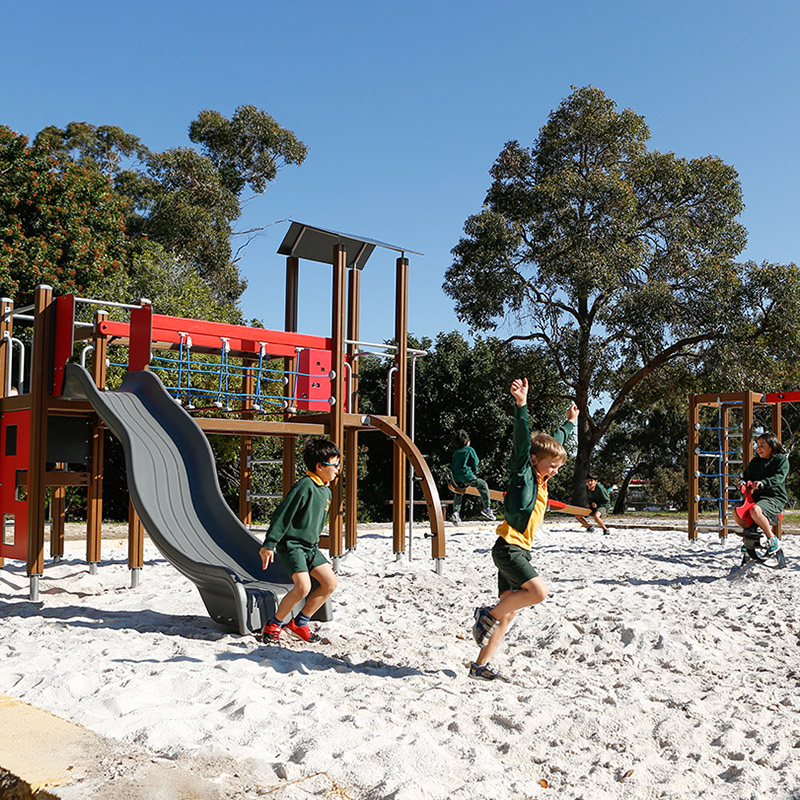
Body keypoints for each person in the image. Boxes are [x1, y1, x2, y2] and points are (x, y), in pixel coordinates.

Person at [469, 378, 579, 682]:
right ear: (534, 460)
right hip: (508, 547)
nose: (555, 471)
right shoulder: (523, 472)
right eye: (552, 466)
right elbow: (523, 442)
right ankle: (485, 615)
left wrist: (569, 424)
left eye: (557, 467)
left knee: (510, 611)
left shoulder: (542, 479)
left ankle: (480, 667)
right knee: (538, 592)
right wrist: (521, 405)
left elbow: (553, 443)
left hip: (521, 549)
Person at [258, 438, 341, 643]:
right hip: (293, 545)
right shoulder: (304, 486)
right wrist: (269, 544)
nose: (338, 469)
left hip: (310, 548)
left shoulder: (326, 491)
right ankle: (274, 625)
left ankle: (300, 623)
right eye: (335, 465)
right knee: (302, 587)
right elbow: (282, 515)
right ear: (320, 466)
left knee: (330, 583)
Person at [734, 431, 789, 555]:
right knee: (737, 510)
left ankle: (772, 539)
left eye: (762, 445)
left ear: (772, 446)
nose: (758, 448)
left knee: (755, 510)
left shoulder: (780, 460)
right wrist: (743, 482)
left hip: (774, 498)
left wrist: (763, 483)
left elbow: (779, 477)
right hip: (757, 498)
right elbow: (747, 476)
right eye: (757, 445)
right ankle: (751, 537)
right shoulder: (755, 462)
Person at [451, 430, 495, 524]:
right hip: (466, 475)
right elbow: (475, 462)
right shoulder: (469, 450)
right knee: (483, 485)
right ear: (467, 442)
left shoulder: (456, 452)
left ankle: (456, 512)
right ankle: (487, 508)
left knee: (459, 491)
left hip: (455, 476)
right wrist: (475, 472)